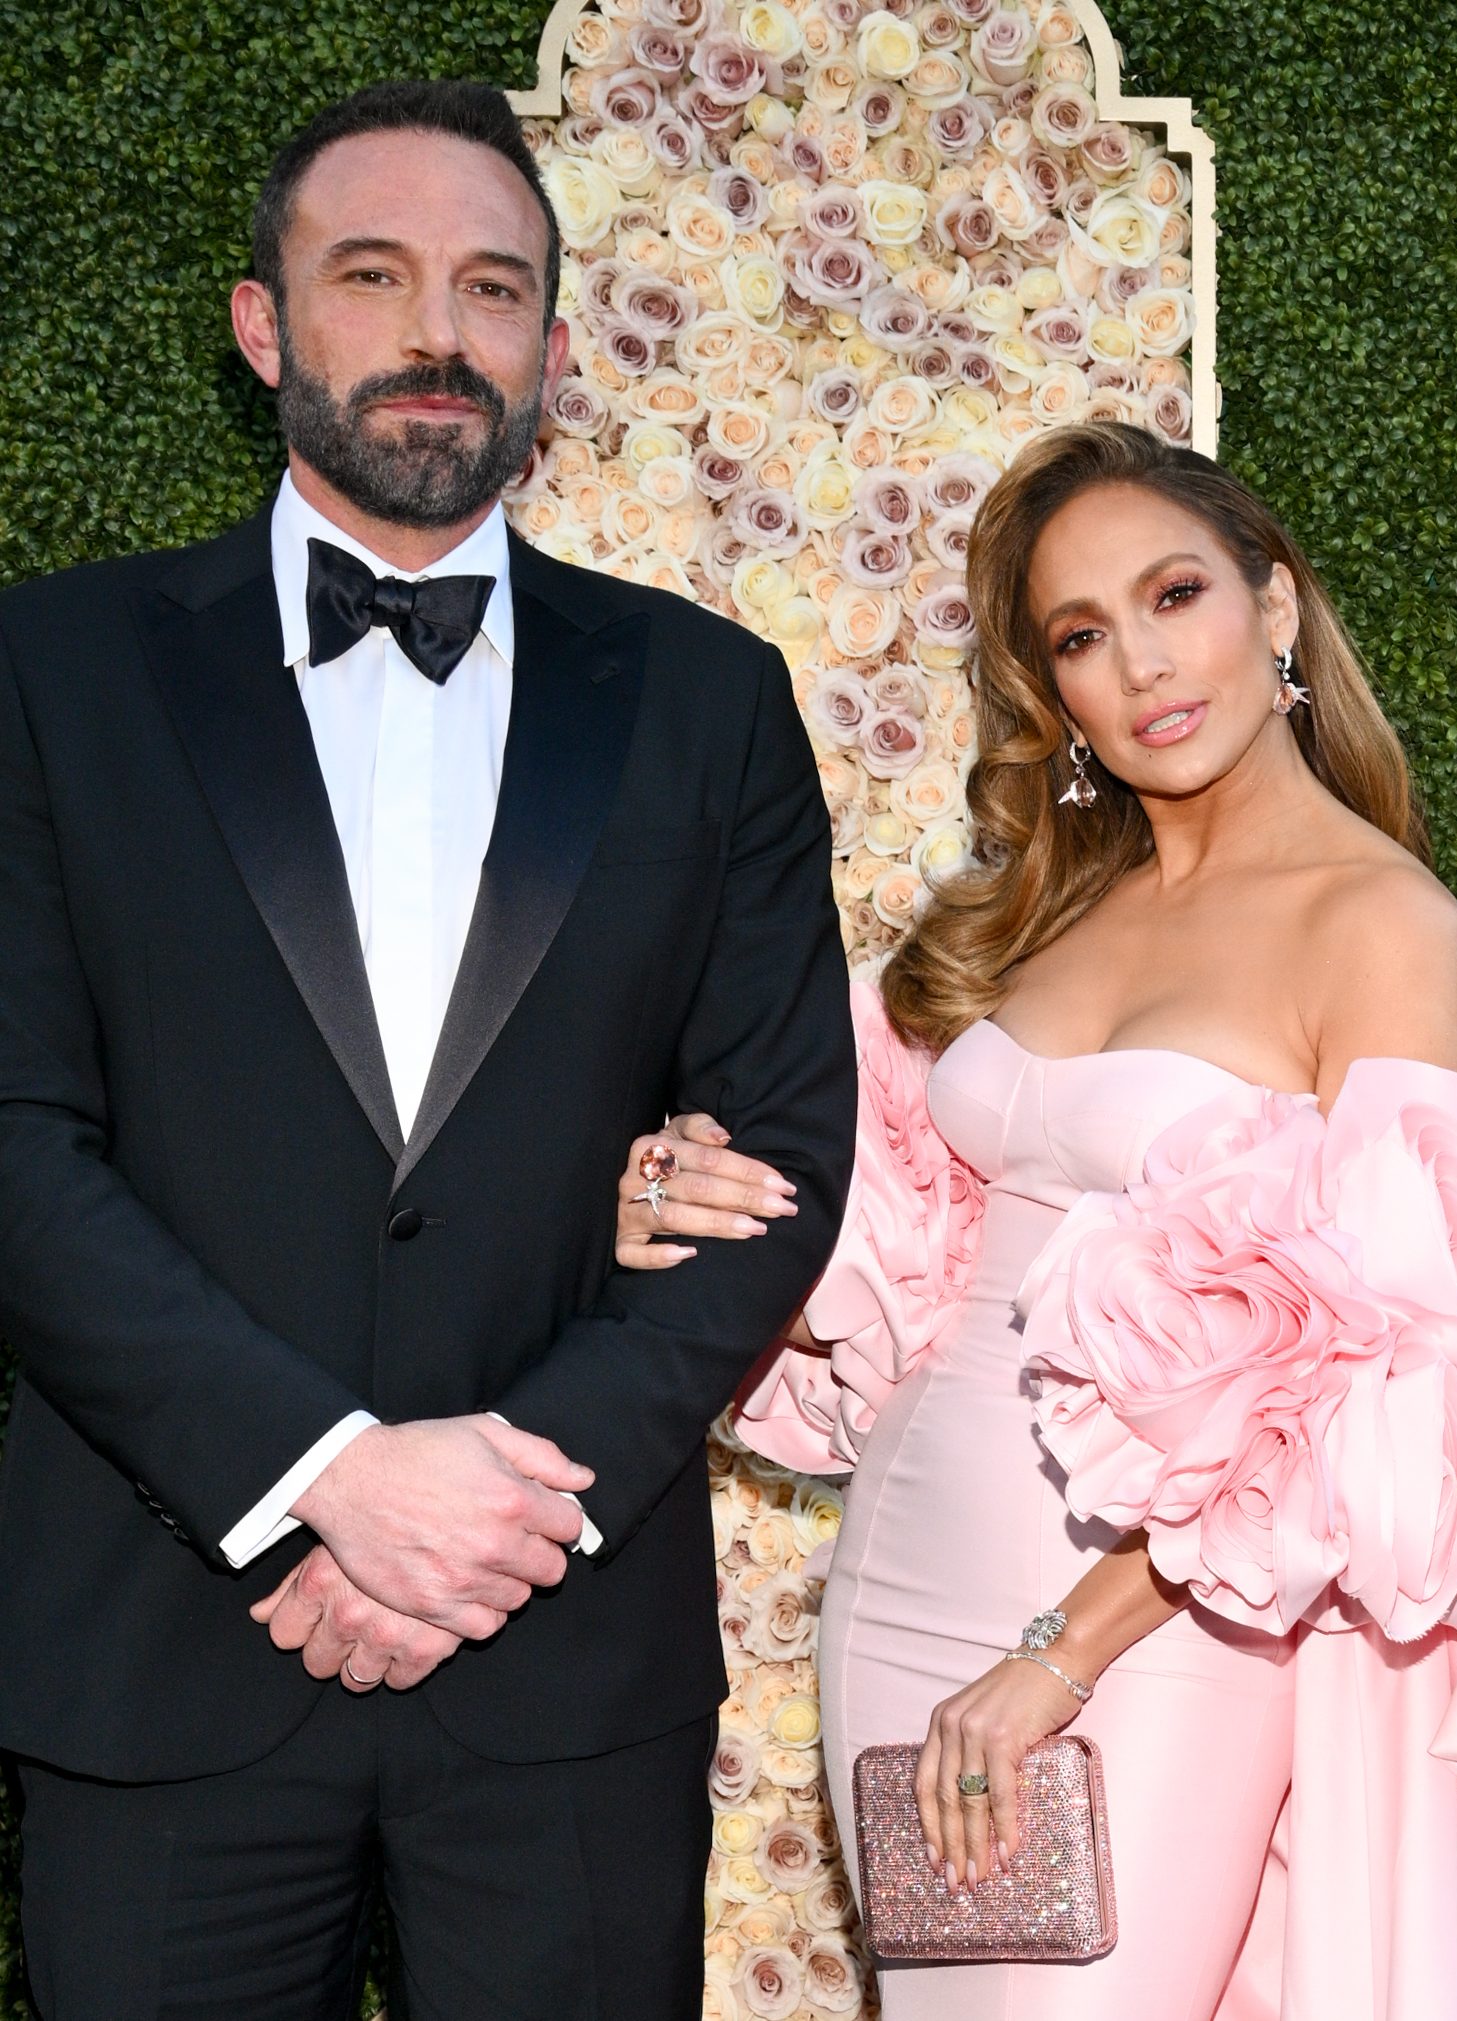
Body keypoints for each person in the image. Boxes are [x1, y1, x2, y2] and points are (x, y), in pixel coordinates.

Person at [0, 78, 855, 2021]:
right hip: (160, 1647)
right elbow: (13, 1135)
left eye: (490, 287)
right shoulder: (44, 674)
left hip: (565, 1674)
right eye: (370, 275)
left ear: (552, 345)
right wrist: (319, 1474)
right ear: (262, 324)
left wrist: (482, 1502)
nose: (435, 332)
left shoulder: (709, 702)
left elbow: (779, 1143)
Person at [616, 422, 1457, 2018]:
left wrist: (1061, 1647)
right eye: (1081, 636)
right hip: (905, 1561)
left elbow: (1382, 1378)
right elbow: (894, 1241)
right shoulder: (1040, 908)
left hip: (1155, 1614)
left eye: (1175, 594)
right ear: (1052, 691)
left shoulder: (1378, 919)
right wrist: (693, 1200)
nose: (1142, 664)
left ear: (1278, 607)